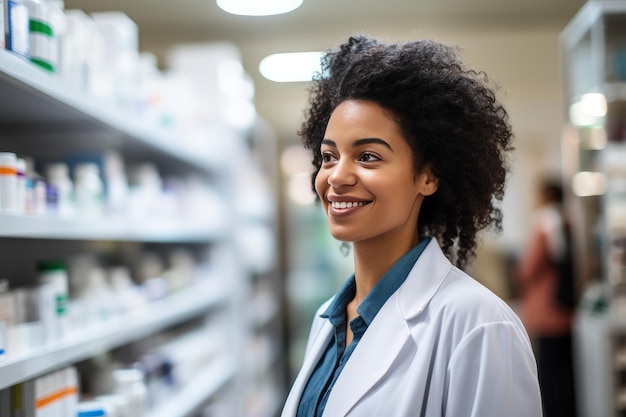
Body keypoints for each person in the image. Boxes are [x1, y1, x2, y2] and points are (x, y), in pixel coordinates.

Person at [280, 34, 542, 417]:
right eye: (329, 156)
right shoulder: (329, 321)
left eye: (368, 156)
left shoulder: (479, 324)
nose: (336, 176)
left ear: (429, 176)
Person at [516, 179, 577, 417]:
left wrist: (518, 272)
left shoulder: (542, 222)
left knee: (548, 375)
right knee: (567, 373)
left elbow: (528, 268)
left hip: (547, 311)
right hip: (566, 309)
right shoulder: (566, 220)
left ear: (545, 195)